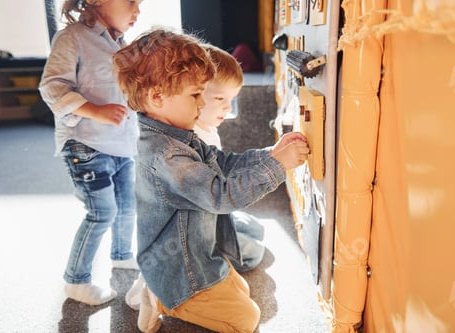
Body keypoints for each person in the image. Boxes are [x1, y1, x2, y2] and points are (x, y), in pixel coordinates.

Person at [113, 28, 309, 333]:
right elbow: (222, 196)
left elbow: (223, 163)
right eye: (195, 96)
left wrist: (270, 154)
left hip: (197, 253)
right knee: (247, 319)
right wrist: (276, 166)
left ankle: (159, 291)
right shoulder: (167, 157)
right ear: (156, 96)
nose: (202, 105)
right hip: (179, 268)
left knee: (242, 290)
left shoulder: (179, 135)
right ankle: (162, 297)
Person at [39, 0, 141, 306]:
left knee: (126, 206)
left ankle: (122, 255)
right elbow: (52, 88)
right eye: (131, 1)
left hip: (122, 144)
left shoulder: (124, 45)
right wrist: (95, 110)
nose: (137, 10)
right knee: (102, 213)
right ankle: (76, 281)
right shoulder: (72, 37)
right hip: (85, 144)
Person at [196, 44, 266, 273]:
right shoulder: (191, 139)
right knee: (255, 252)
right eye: (219, 98)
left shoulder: (207, 126)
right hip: (202, 225)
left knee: (257, 228)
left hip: (217, 213)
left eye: (231, 99)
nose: (228, 107)